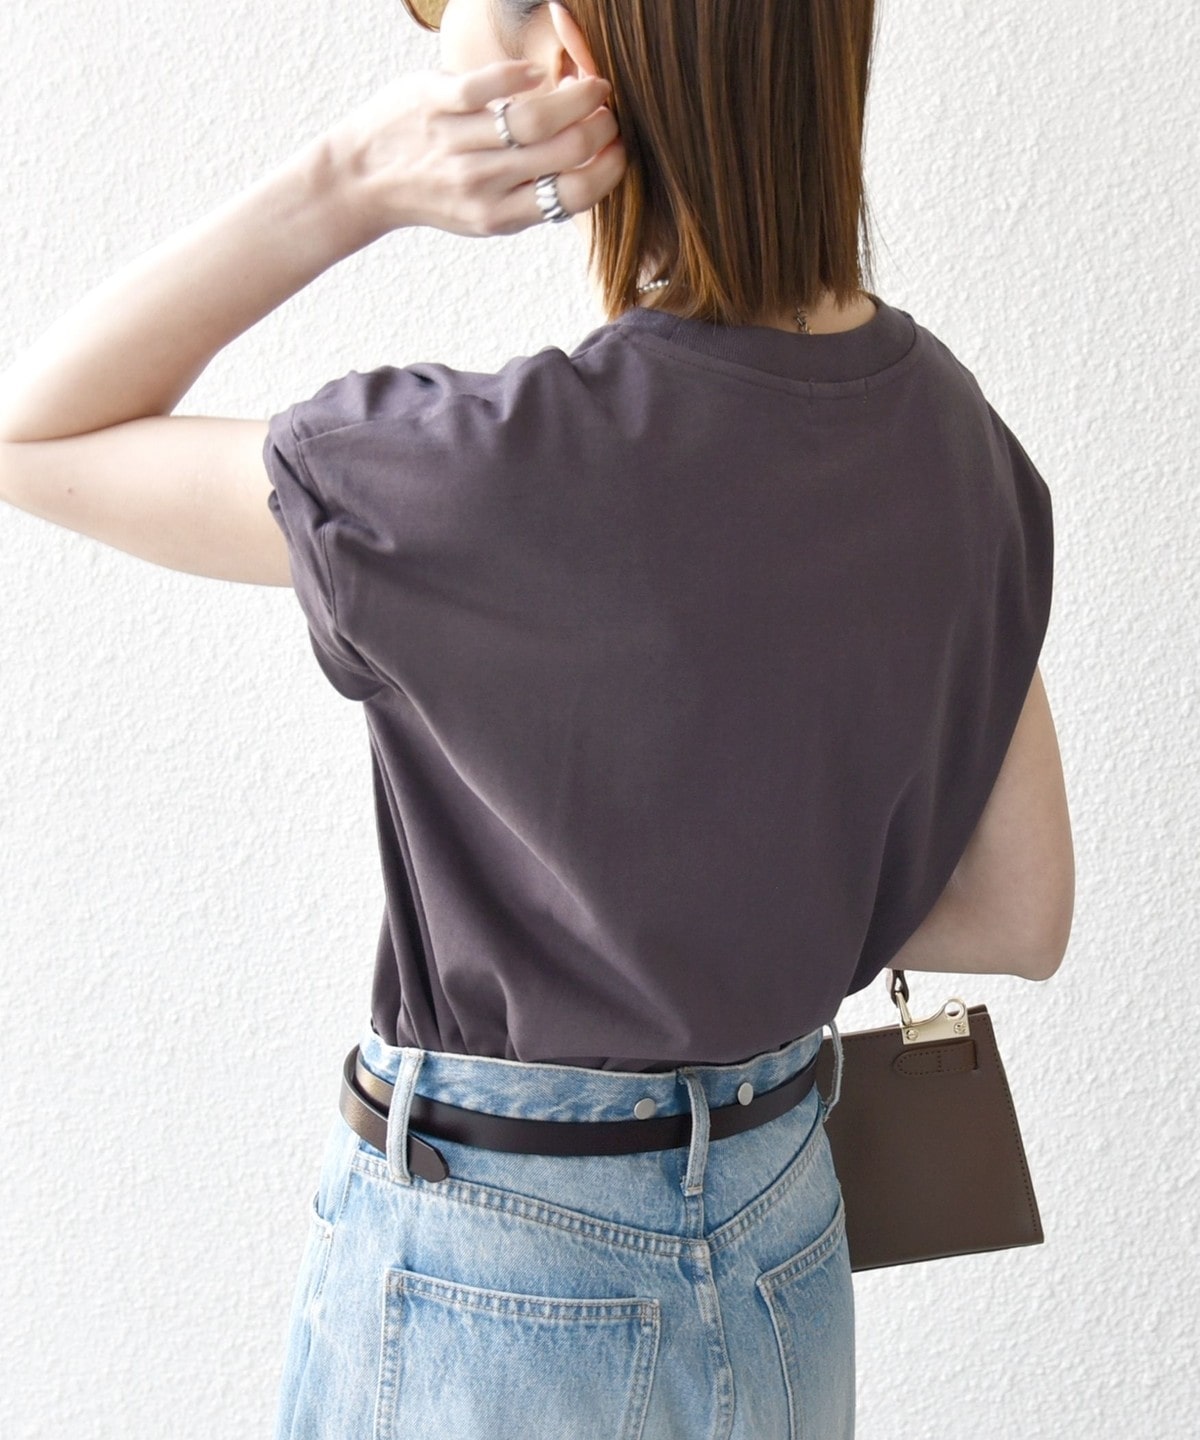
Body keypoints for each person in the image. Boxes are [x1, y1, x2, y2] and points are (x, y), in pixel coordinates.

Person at [0, 0, 1074, 1436]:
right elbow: (1019, 915)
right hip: (785, 1238)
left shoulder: (479, 476)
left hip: (500, 1276)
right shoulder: (957, 440)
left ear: (564, 58)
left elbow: (36, 436)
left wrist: (350, 182)